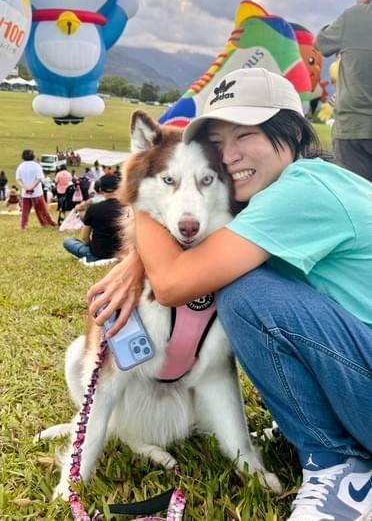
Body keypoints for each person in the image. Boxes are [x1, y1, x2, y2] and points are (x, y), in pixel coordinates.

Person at [88, 68, 372, 521]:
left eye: (246, 135)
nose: (230, 155)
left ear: (295, 133)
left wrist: (140, 189)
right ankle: (321, 429)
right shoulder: (283, 192)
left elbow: (173, 284)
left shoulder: (302, 190)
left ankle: (341, 466)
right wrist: (138, 257)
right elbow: (195, 243)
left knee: (247, 296)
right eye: (218, 143)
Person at [315, 0, 372, 181]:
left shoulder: (353, 17)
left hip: (352, 128)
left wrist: (359, 8)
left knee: (354, 194)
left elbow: (321, 43)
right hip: (352, 129)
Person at [63, 174, 124, 262]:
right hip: (122, 253)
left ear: (100, 190)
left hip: (97, 254)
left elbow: (85, 239)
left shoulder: (93, 209)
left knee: (67, 241)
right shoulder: (127, 208)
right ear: (120, 188)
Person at [15, 150, 56, 229]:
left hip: (25, 193)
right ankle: (47, 223)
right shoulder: (36, 166)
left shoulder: (20, 166)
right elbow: (39, 178)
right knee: (42, 210)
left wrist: (25, 187)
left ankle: (23, 225)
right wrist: (32, 187)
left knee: (25, 212)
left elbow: (18, 179)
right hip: (37, 192)